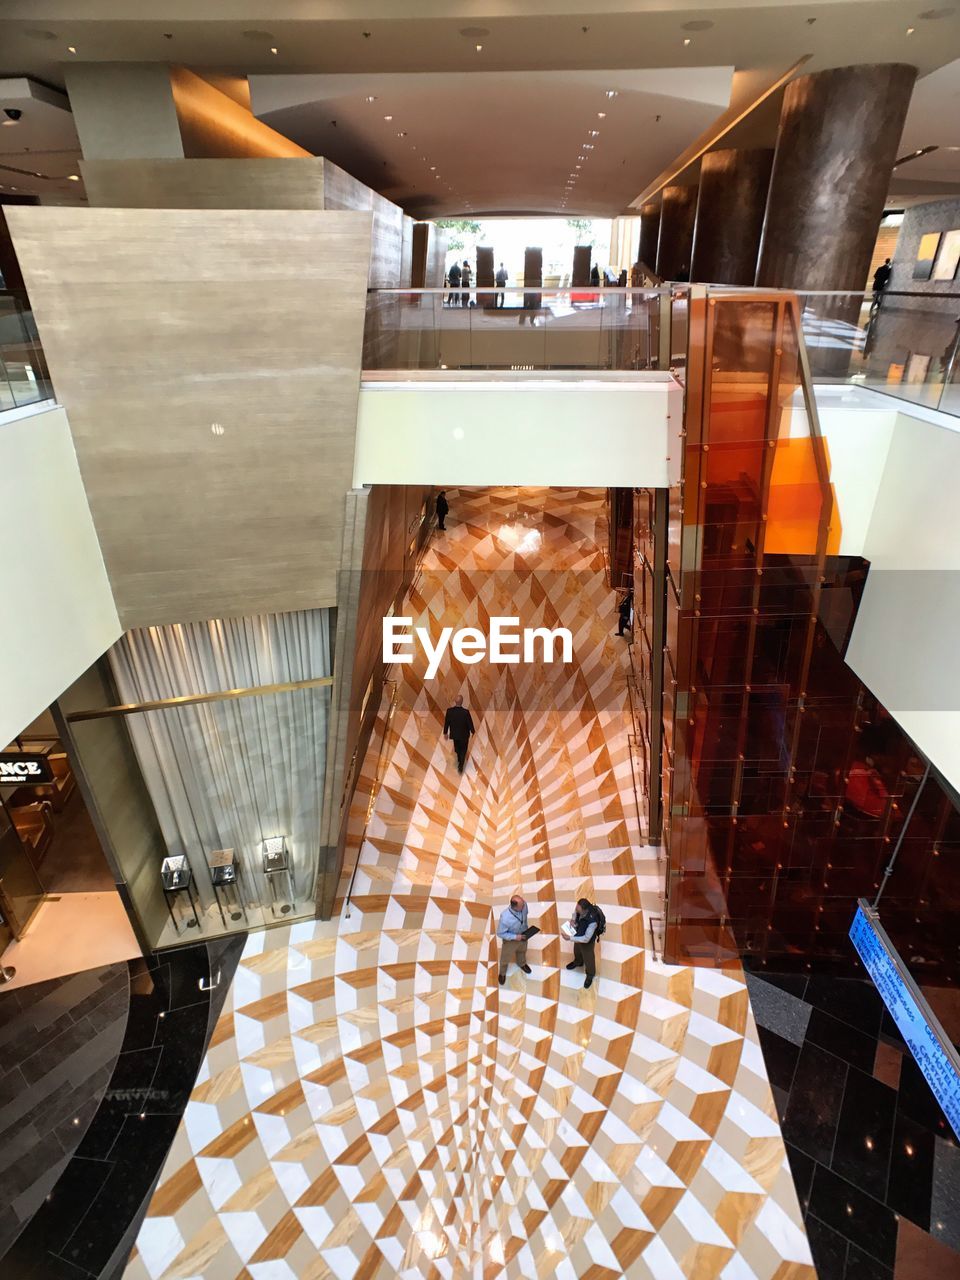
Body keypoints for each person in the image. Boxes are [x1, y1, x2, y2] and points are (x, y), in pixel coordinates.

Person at [497, 894, 532, 984]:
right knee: (505, 957)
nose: (524, 906)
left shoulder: (524, 905)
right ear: (514, 907)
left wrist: (522, 934)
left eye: (523, 903)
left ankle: (522, 963)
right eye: (522, 906)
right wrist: (516, 937)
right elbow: (500, 933)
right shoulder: (505, 918)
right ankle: (502, 973)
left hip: (524, 934)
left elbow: (526, 913)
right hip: (511, 940)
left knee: (522, 950)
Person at [566, 897, 601, 988]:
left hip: (587, 940)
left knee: (588, 957)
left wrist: (570, 938)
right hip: (579, 932)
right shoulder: (579, 909)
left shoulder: (593, 921)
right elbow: (575, 913)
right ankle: (578, 961)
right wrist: (573, 920)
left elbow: (586, 939)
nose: (576, 910)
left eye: (578, 910)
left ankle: (590, 974)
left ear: (585, 910)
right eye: (576, 908)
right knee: (577, 950)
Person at [443, 694, 475, 773]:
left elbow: (446, 722)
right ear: (462, 702)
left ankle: (459, 760)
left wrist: (445, 732)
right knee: (463, 750)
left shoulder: (449, 711)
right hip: (464, 735)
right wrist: (472, 731)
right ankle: (461, 764)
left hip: (455, 735)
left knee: (457, 748)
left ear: (455, 701)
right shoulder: (465, 712)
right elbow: (469, 723)